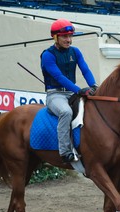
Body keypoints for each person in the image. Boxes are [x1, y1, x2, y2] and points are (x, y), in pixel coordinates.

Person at [41, 18, 98, 163]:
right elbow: (59, 77)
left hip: (71, 92)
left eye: (70, 36)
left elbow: (85, 69)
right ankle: (65, 151)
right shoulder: (48, 55)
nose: (69, 40)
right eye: (65, 36)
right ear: (55, 37)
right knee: (66, 112)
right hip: (55, 94)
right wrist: (79, 90)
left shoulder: (75, 51)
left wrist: (93, 85)